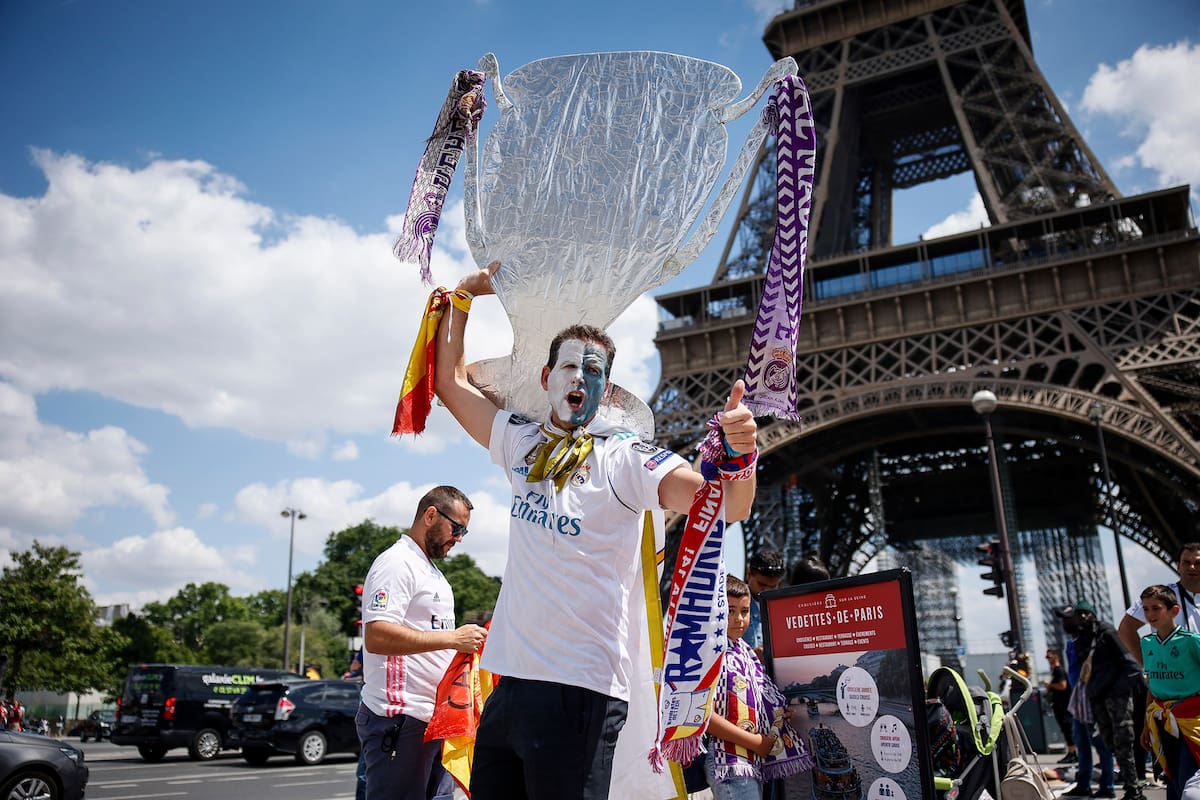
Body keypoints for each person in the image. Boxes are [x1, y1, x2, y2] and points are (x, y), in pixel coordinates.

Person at [432, 262, 759, 800]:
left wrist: (741, 454)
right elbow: (449, 381)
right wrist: (464, 296)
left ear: (606, 389)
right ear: (545, 378)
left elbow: (724, 504)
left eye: (593, 370)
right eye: (567, 367)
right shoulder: (522, 442)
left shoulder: (626, 458)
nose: (577, 378)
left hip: (579, 691)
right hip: (508, 686)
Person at [354, 486, 488, 800]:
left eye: (464, 532)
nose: (459, 538)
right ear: (430, 515)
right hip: (399, 718)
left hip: (433, 718)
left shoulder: (431, 572)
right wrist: (454, 639)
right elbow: (377, 636)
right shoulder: (397, 563)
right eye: (457, 528)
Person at [704, 575, 811, 799]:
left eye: (744, 611)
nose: (739, 619)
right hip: (730, 761)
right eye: (730, 611)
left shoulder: (743, 651)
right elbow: (702, 714)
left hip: (748, 760)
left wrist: (777, 714)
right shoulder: (709, 652)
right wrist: (756, 742)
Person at [1061, 600, 1145, 800]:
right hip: (1098, 700)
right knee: (1109, 743)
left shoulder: (1106, 634)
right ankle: (1127, 784)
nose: (1078, 620)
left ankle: (1134, 790)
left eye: (1083, 615)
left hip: (1116, 699)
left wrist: (1116, 692)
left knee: (1124, 743)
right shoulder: (1082, 640)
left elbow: (1132, 668)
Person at [1138, 584, 1200, 800]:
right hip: (1161, 719)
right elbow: (1152, 683)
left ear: (1174, 611)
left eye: (1156, 608)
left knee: (1188, 779)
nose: (1150, 614)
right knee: (1171, 779)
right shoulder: (1146, 643)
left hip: (1191, 719)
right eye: (1145, 609)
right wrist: (1146, 724)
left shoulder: (1191, 641)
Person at [1060, 603, 1117, 798]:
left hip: (1092, 699)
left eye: (1069, 618)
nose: (1065, 623)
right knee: (1082, 744)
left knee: (1101, 745)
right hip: (1078, 701)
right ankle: (1084, 783)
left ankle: (1107, 786)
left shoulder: (1094, 640)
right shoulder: (1072, 644)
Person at [1118, 543, 1200, 664]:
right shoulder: (1160, 596)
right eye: (1186, 563)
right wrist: (1147, 665)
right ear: (1178, 566)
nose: (1192, 567)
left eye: (1198, 563)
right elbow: (1126, 628)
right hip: (1172, 677)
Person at [743, 549, 785, 659]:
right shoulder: (732, 601)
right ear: (749, 574)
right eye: (761, 584)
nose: (765, 590)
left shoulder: (783, 608)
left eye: (772, 587)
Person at [1044, 647, 1078, 763]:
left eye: (1049, 657)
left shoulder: (1059, 671)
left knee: (1068, 728)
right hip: (1060, 705)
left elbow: (1063, 686)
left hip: (1063, 705)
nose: (1048, 660)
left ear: (1056, 656)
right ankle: (1071, 751)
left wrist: (1050, 685)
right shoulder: (1056, 671)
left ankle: (1073, 752)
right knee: (1066, 729)